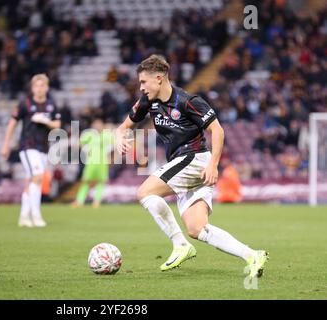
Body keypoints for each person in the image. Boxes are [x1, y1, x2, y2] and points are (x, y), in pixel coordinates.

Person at [115, 55, 268, 278]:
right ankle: (253, 255)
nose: (141, 87)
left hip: (195, 158)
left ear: (158, 78)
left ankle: (180, 245)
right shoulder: (148, 100)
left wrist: (214, 165)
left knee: (144, 192)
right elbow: (124, 126)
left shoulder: (187, 101)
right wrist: (120, 136)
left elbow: (218, 130)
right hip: (186, 164)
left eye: (143, 82)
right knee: (197, 229)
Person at [1, 74, 61, 227]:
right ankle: (36, 216)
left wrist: (46, 121)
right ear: (33, 87)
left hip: (43, 148)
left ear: (47, 87)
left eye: (43, 85)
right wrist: (6, 144)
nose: (40, 88)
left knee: (33, 181)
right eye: (37, 85)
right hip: (28, 146)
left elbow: (57, 125)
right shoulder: (25, 103)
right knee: (38, 176)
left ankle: (23, 217)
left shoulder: (51, 104)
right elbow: (12, 124)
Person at [72, 118, 113, 208]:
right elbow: (79, 142)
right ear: (93, 126)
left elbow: (115, 144)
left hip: (102, 162)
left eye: (99, 124)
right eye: (96, 124)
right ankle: (80, 201)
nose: (97, 126)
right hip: (91, 162)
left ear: (102, 125)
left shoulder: (107, 135)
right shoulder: (89, 135)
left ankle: (96, 201)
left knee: (101, 182)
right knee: (85, 181)